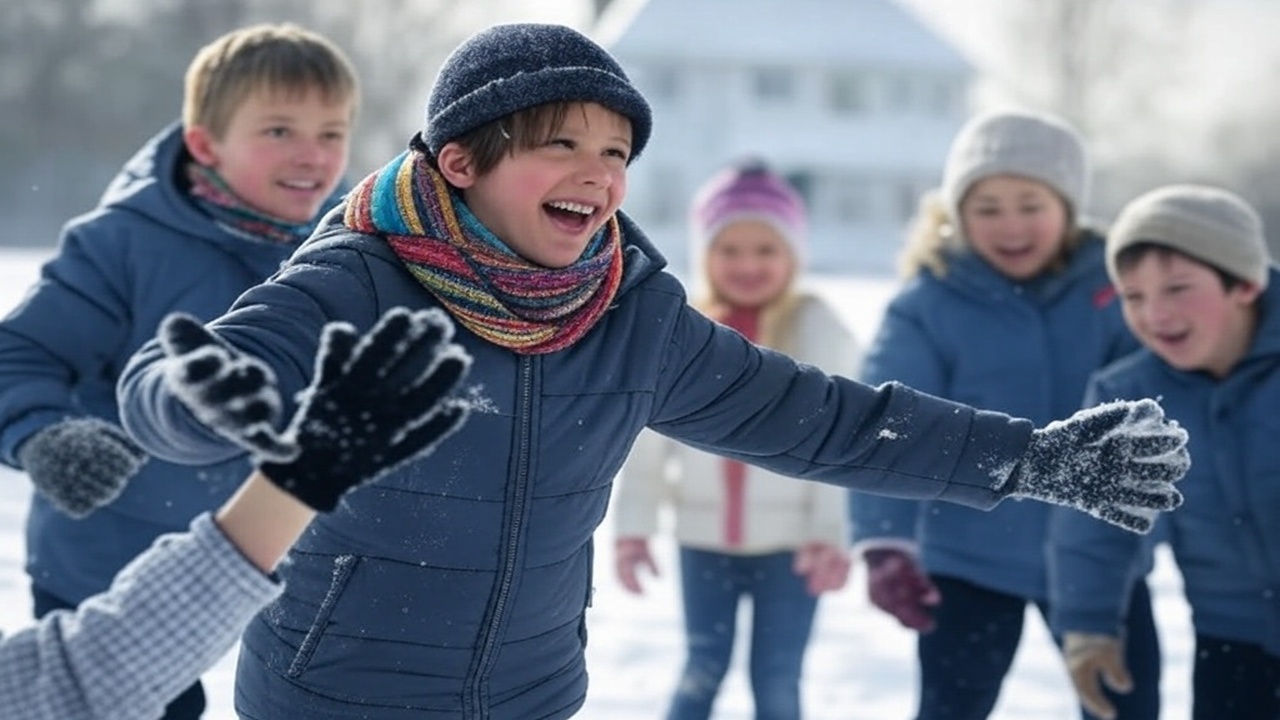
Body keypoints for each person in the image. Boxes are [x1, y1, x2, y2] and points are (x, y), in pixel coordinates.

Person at [115, 23, 1187, 720]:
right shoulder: (358, 277)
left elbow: (827, 421)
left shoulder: (630, 313)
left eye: (617, 153)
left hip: (532, 693)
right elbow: (188, 385)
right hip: (335, 694)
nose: (598, 174)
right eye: (559, 145)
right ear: (460, 162)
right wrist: (197, 401)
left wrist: (1028, 458)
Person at [0, 23, 357, 719]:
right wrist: (45, 436)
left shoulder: (346, 252)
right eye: (279, 130)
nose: (313, 156)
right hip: (114, 572)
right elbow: (20, 354)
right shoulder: (122, 244)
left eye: (332, 132)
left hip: (268, 557)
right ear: (205, 144)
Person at [0, 305, 472, 720]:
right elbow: (78, 688)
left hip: (197, 593)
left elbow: (80, 685)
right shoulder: (120, 240)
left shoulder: (316, 252)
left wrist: (297, 481)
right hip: (98, 571)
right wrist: (42, 432)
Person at [847, 109, 1162, 720]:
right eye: (987, 208)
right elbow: (891, 420)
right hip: (967, 557)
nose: (1010, 225)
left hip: (1098, 560)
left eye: (1030, 204)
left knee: (1124, 706)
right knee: (951, 707)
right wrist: (886, 542)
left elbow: (1160, 412)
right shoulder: (930, 302)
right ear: (957, 214)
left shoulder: (1118, 292)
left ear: (1068, 207)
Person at [612, 159, 856, 719]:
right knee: (701, 669)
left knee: (777, 681)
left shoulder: (817, 328)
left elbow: (839, 441)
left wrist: (828, 534)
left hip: (791, 548)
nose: (747, 265)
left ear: (792, 257)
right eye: (729, 250)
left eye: (765, 251)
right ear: (705, 255)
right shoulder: (685, 327)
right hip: (703, 542)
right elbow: (646, 442)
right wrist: (634, 529)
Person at [1049, 185, 1280, 720]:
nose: (1156, 313)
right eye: (1133, 296)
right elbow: (1097, 526)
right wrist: (1088, 625)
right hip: (1231, 641)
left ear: (1244, 283)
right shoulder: (1128, 397)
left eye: (1178, 288)